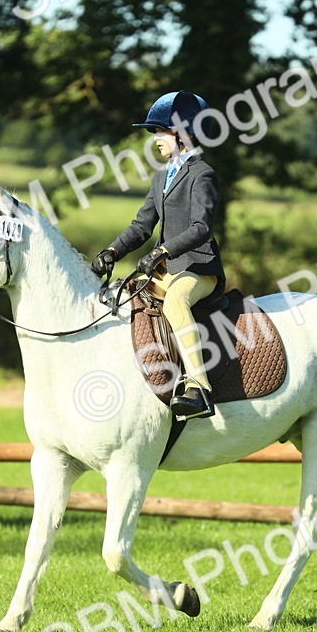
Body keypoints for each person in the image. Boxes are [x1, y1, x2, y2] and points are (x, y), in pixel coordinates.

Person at [91, 90, 224, 419]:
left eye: (161, 131)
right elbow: (142, 226)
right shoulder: (161, 177)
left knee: (176, 302)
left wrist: (163, 251)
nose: (155, 139)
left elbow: (201, 228)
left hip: (198, 267)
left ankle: (199, 388)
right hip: (166, 269)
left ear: (183, 133)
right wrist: (112, 250)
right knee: (123, 298)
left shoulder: (203, 174)